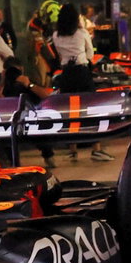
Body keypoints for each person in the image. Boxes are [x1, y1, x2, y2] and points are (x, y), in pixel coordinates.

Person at [47, 11, 112, 161]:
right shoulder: (81, 33)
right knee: (90, 108)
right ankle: (96, 149)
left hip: (66, 74)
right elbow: (90, 53)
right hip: (82, 72)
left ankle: (72, 150)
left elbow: (58, 54)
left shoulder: (56, 35)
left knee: (70, 111)